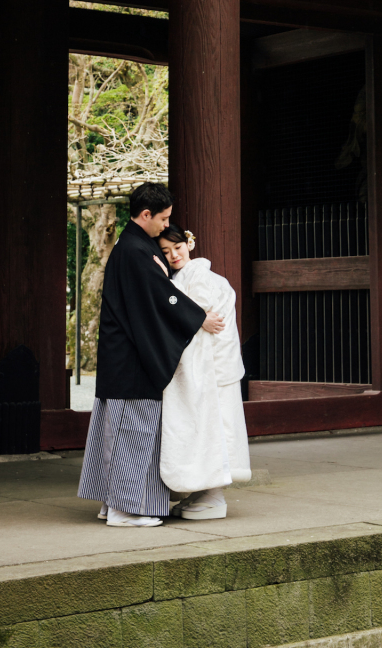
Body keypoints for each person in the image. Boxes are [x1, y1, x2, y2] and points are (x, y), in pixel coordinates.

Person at [77, 182, 225, 527]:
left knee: (117, 434)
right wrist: (198, 317)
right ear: (146, 215)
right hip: (131, 363)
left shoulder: (133, 247)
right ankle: (127, 510)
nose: (166, 224)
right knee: (134, 434)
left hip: (122, 358)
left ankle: (112, 504)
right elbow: (161, 298)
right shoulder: (135, 251)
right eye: (163, 218)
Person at [158, 222, 251, 521]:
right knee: (210, 428)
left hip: (212, 369)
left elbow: (196, 312)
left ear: (190, 244)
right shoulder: (187, 277)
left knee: (214, 429)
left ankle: (213, 495)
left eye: (177, 247)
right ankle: (204, 492)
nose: (174, 255)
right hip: (212, 367)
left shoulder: (201, 277)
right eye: (166, 251)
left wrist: (195, 318)